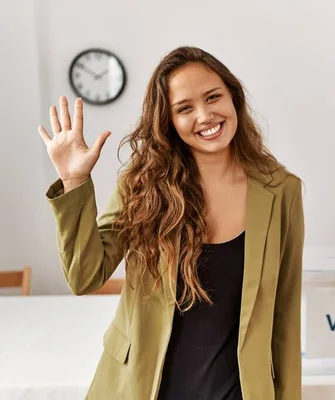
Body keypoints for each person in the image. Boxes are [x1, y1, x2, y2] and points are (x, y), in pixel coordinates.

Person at [38, 46, 304, 400]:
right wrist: (73, 183)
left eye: (213, 97)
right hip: (144, 387)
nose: (205, 115)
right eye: (185, 108)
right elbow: (85, 276)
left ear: (234, 98)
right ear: (169, 121)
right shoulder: (142, 185)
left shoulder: (281, 190)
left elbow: (284, 315)